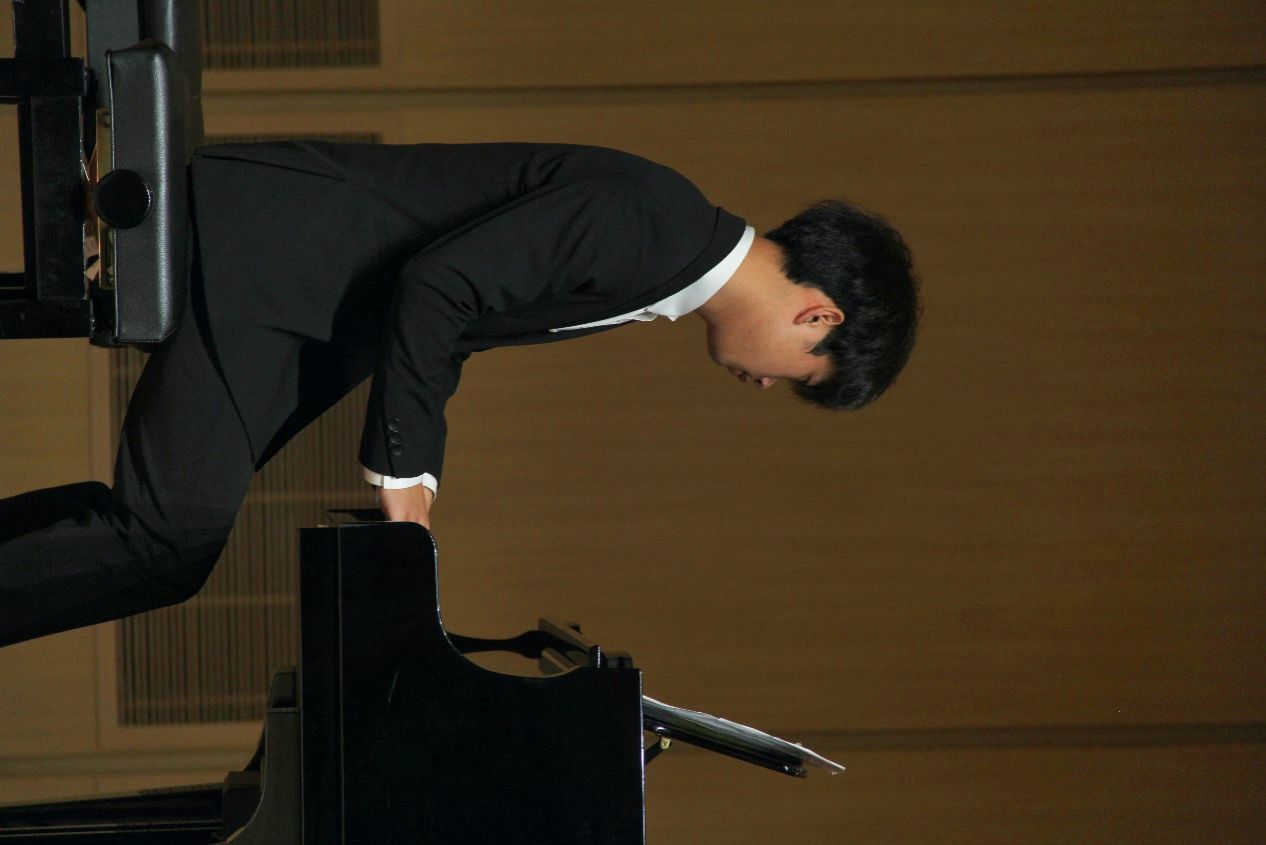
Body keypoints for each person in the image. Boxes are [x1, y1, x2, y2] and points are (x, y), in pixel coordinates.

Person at [0, 141, 919, 647]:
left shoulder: (669, 247)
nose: (765, 382)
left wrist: (419, 486)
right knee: (165, 541)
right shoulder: (658, 225)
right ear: (819, 316)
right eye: (796, 375)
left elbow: (458, 317)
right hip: (273, 265)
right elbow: (442, 288)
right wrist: (405, 478)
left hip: (299, 293)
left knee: (150, 535)